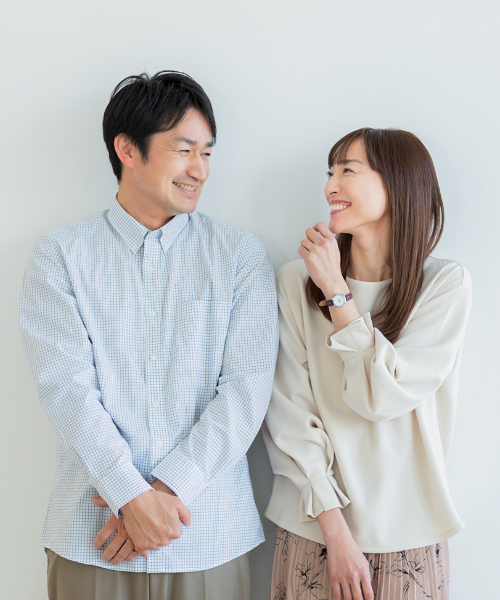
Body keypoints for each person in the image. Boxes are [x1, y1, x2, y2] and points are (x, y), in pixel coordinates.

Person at [20, 70, 278, 600]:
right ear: (127, 150)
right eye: (184, 150)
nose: (199, 169)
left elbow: (246, 392)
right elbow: (66, 389)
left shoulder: (239, 256)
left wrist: (162, 494)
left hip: (207, 536)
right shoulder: (60, 256)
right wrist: (128, 496)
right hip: (93, 538)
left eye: (207, 153)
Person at [263, 128, 471, 600]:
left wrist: (338, 293)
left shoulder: (444, 287)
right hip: (315, 528)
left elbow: (380, 398)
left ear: (397, 183)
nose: (329, 186)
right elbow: (288, 416)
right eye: (330, 172)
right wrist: (335, 532)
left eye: (348, 171)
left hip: (408, 535)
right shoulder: (296, 281)